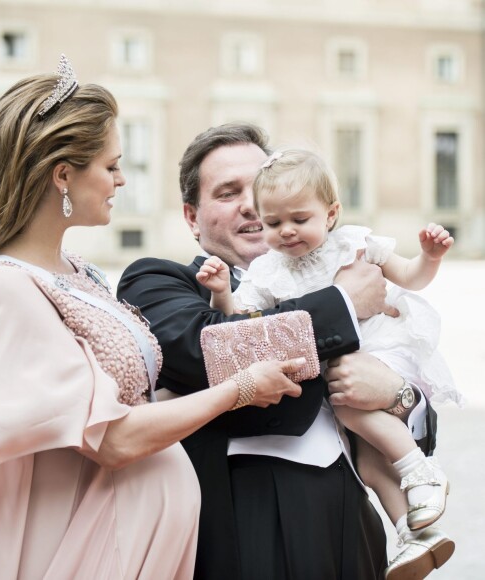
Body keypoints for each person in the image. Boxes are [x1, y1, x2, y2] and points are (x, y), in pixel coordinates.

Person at [0, 57, 307, 580]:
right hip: (83, 548)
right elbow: (110, 439)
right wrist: (240, 387)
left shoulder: (79, 273)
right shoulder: (4, 287)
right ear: (64, 175)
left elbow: (132, 398)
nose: (122, 178)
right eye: (111, 165)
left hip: (135, 547)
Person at [117, 122, 443, 580]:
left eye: (260, 187)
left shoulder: (343, 260)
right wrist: (344, 302)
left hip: (353, 525)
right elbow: (209, 346)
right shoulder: (157, 281)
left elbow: (414, 430)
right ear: (192, 217)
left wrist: (396, 395)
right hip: (245, 527)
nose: (253, 204)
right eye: (229, 192)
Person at [197, 145, 461, 579]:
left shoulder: (355, 244)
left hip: (380, 345)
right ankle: (413, 534)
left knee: (346, 403)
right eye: (273, 222)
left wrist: (430, 257)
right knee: (370, 460)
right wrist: (221, 291)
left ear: (331, 212)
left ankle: (420, 469)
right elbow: (236, 325)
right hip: (334, 390)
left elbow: (411, 277)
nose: (285, 232)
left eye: (299, 220)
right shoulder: (268, 271)